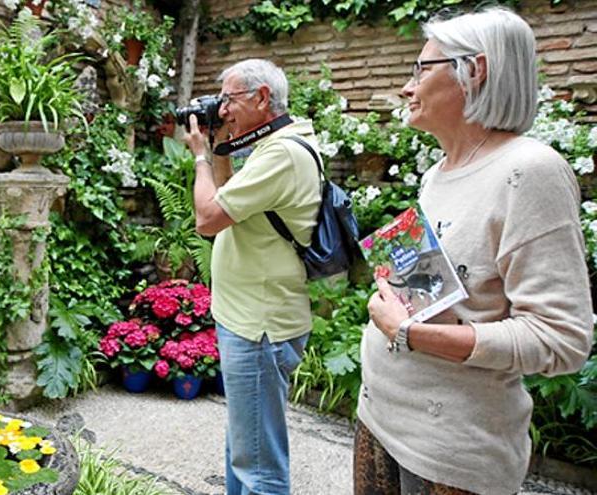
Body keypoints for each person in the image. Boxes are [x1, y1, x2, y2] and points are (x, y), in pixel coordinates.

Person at [357, 8, 593, 495]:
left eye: (421, 69)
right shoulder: (437, 172)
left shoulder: (530, 172)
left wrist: (408, 333)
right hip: (378, 415)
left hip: (451, 452)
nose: (408, 87)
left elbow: (561, 340)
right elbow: (447, 299)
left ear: (475, 69)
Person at [183, 58, 322, 494]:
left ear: (262, 98)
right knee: (245, 450)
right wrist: (221, 147)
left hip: (259, 327)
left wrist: (202, 156)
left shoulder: (280, 154)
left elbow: (207, 217)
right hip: (249, 319)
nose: (221, 110)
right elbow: (228, 205)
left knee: (259, 467)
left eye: (228, 100)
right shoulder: (272, 146)